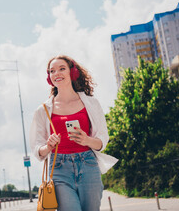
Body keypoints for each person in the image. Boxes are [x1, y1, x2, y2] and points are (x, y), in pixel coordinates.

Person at [30, 55, 118, 211]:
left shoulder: (91, 103)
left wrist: (87, 140)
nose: (56, 73)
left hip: (88, 164)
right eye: (52, 71)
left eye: (61, 69)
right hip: (59, 169)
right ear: (49, 78)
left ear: (73, 72)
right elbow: (37, 149)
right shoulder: (43, 110)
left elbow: (102, 141)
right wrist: (49, 146)